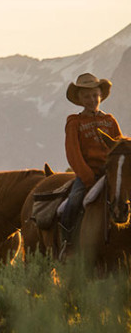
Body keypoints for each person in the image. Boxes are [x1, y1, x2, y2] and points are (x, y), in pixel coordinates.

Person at [59, 73, 122, 255]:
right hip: (89, 174)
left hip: (109, 174)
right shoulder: (74, 122)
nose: (92, 99)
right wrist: (87, 178)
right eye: (86, 96)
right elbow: (73, 153)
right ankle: (67, 243)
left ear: (100, 96)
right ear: (79, 99)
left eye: (95, 95)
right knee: (74, 201)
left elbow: (119, 150)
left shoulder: (110, 121)